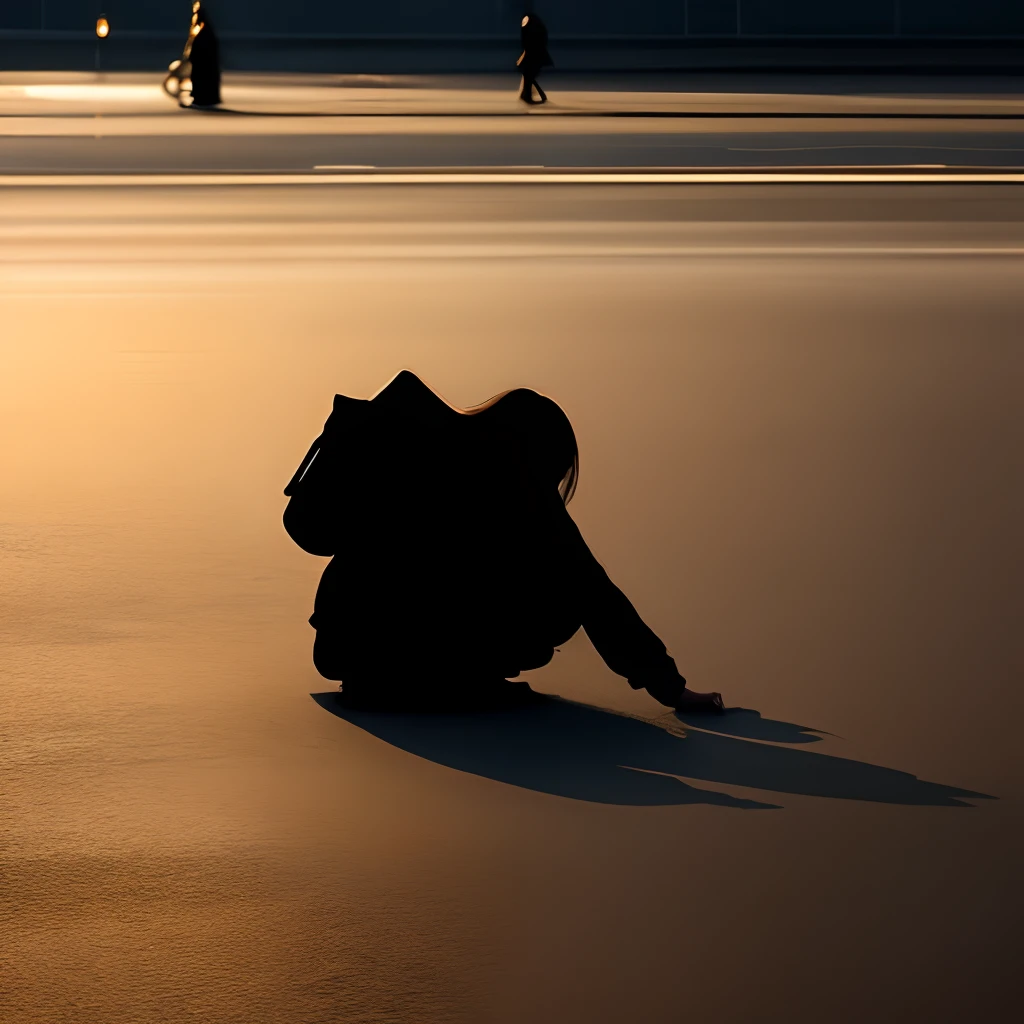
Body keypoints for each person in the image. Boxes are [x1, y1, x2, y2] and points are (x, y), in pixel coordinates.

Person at [283, 371, 723, 712]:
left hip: (350, 655)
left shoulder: (409, 444)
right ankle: (459, 680)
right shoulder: (515, 480)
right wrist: (674, 690)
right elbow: (595, 593)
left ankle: (439, 676)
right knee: (567, 591)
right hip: (414, 667)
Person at [182, 2, 220, 108]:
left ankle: (202, 99)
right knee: (200, 79)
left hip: (203, 63)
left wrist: (191, 57)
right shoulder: (205, 29)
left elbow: (200, 47)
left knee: (201, 80)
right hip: (203, 63)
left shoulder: (202, 30)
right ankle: (203, 98)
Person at [517, 10, 552, 106]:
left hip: (534, 53)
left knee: (529, 74)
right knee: (529, 75)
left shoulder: (531, 24)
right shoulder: (536, 24)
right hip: (535, 53)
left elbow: (527, 41)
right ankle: (526, 95)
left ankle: (526, 95)